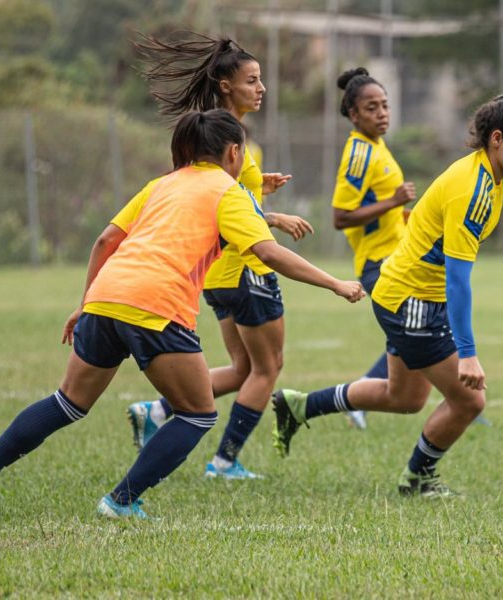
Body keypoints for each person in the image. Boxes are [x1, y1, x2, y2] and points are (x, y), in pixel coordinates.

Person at [0, 110, 364, 518]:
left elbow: (105, 240)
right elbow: (268, 252)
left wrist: (85, 303)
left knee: (67, 402)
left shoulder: (161, 185)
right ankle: (121, 501)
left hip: (106, 296)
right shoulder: (227, 191)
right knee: (198, 414)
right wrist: (335, 283)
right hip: (156, 305)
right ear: (234, 152)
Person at [270, 95, 503, 497]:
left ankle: (299, 406)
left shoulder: (490, 176)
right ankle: (418, 479)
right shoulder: (472, 188)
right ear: (497, 139)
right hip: (412, 302)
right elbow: (459, 280)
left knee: (403, 396)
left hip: (403, 293)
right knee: (470, 402)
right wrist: (468, 351)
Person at [124, 33, 320, 479]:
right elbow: (221, 205)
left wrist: (257, 188)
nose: (261, 87)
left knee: (243, 368)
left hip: (218, 273)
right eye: (252, 80)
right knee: (269, 368)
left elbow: (222, 194)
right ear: (226, 85)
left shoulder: (220, 136)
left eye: (261, 79)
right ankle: (224, 461)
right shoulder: (228, 138)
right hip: (246, 268)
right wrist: (272, 218)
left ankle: (156, 411)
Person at [329, 67, 417, 429]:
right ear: (353, 114)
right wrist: (392, 201)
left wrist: (403, 213)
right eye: (371, 108)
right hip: (378, 264)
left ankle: (462, 401)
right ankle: (357, 399)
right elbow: (341, 216)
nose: (381, 114)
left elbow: (379, 204)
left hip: (395, 256)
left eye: (385, 106)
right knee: (418, 334)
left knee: (418, 333)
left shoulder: (376, 145)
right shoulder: (358, 155)